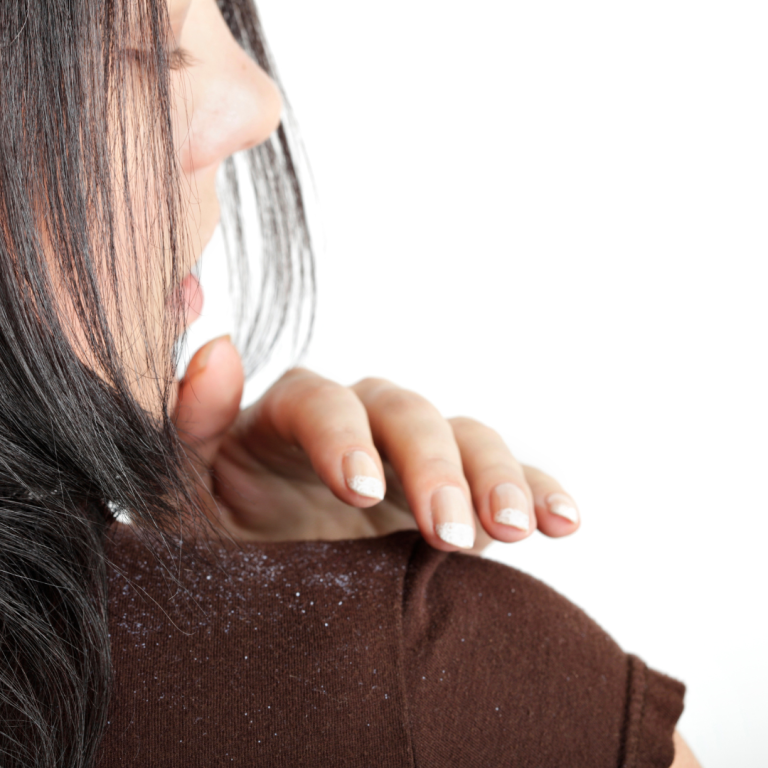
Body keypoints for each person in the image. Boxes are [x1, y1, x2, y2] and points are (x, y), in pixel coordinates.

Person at [0, 0, 698, 766]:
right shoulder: (468, 688)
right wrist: (351, 666)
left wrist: (253, 623)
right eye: (146, 44)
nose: (259, 104)